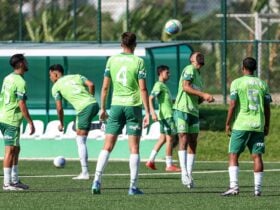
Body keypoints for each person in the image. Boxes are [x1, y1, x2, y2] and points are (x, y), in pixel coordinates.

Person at [91, 32, 150, 195]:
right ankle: (132, 186)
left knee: (107, 145)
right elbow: (143, 88)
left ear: (121, 44)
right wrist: (148, 112)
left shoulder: (112, 60)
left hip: (115, 106)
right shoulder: (139, 61)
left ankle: (96, 181)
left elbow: (104, 87)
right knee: (134, 148)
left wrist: (103, 108)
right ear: (135, 45)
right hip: (133, 106)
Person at [221, 57, 271, 197]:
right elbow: (267, 107)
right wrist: (267, 124)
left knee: (233, 154)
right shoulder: (262, 84)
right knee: (257, 156)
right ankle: (257, 189)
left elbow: (232, 104)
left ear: (243, 67)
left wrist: (227, 123)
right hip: (258, 124)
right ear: (254, 68)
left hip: (241, 124)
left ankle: (234, 187)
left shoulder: (237, 83)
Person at [49, 64, 99, 180]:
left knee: (80, 140)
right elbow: (91, 84)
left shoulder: (56, 87)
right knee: (77, 128)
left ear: (55, 74)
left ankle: (85, 173)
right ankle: (99, 125)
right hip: (94, 104)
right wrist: (90, 99)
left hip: (83, 108)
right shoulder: (77, 76)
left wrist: (61, 123)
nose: (50, 78)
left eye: (50, 75)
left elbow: (59, 108)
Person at [173, 52, 215, 188]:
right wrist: (203, 94)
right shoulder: (189, 69)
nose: (200, 56)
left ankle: (189, 175)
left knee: (193, 142)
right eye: (197, 55)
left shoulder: (199, 77)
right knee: (183, 138)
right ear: (191, 59)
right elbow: (186, 87)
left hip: (193, 111)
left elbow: (196, 97)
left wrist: (204, 98)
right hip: (182, 109)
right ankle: (183, 172)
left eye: (202, 55)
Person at [0, 54, 35, 191]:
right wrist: (30, 122)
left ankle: (14, 180)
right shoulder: (20, 82)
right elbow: (21, 104)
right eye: (25, 61)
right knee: (10, 150)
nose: (27, 63)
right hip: (10, 119)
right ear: (20, 64)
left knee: (16, 148)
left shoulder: (7, 78)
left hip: (4, 116)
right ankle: (7, 183)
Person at [146, 65, 180, 172]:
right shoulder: (159, 85)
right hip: (167, 116)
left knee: (163, 139)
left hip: (165, 116)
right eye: (167, 72)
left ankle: (150, 160)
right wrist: (152, 113)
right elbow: (150, 98)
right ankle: (169, 165)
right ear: (161, 73)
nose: (169, 75)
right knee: (171, 139)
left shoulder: (163, 86)